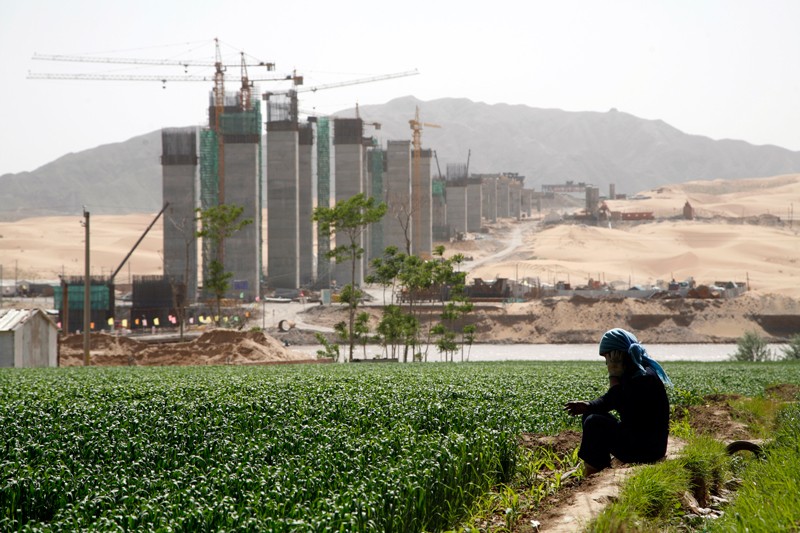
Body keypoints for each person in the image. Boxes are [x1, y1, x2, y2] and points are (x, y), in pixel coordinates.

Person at [565, 328, 672, 475]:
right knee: (591, 414)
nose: (607, 363)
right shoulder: (636, 373)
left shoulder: (642, 378)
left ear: (619, 355)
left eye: (607, 357)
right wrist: (588, 406)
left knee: (594, 422)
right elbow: (610, 401)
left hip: (647, 450)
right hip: (644, 443)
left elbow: (615, 401)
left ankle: (594, 472)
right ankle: (597, 467)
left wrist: (613, 376)